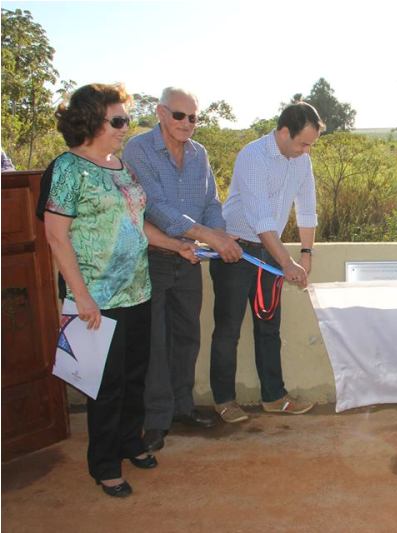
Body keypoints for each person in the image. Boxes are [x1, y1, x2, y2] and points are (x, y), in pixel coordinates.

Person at [38, 83, 197, 497]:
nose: (126, 126)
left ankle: (130, 441)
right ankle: (105, 463)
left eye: (126, 119)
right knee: (106, 386)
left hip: (137, 289)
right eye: (119, 120)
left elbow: (136, 221)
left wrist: (176, 244)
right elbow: (56, 237)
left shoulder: (120, 166)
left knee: (133, 376)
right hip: (97, 297)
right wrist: (81, 296)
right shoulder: (68, 169)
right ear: (92, 120)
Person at [123, 87, 242, 452]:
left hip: (190, 259)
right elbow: (155, 207)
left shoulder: (198, 153)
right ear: (160, 113)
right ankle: (156, 420)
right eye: (179, 116)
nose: (187, 124)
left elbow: (211, 201)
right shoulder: (137, 150)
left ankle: (182, 407)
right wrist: (208, 236)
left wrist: (216, 238)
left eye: (193, 117)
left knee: (187, 337)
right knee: (157, 341)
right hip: (153, 255)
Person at [209, 102, 323, 423]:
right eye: (302, 143)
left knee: (268, 328)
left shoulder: (301, 160)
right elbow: (261, 220)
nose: (306, 151)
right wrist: (286, 263)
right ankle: (224, 401)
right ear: (284, 132)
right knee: (228, 329)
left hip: (270, 254)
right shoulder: (253, 156)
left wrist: (305, 253)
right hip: (236, 250)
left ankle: (274, 397)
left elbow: (307, 208)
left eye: (310, 144)